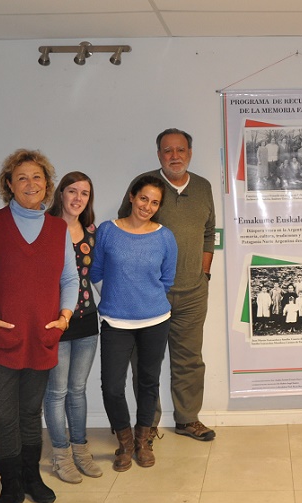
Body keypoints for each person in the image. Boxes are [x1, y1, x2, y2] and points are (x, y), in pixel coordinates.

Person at [0, 149, 78, 503]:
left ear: (47, 185)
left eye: (37, 177)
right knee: (2, 415)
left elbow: (69, 279)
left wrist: (65, 317)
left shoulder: (59, 229)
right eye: (22, 177)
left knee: (29, 413)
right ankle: (10, 487)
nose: (31, 184)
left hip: (40, 339)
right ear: (8, 185)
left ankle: (31, 478)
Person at [117, 128, 217, 442]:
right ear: (159, 154)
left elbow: (208, 233)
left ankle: (188, 420)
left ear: (190, 152)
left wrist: (204, 274)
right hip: (149, 293)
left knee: (190, 359)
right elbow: (124, 229)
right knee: (146, 361)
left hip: (192, 292)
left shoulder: (203, 187)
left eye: (180, 150)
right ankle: (147, 425)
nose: (174, 156)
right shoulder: (145, 185)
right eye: (167, 150)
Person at [93, 175, 177, 470]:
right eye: (144, 199)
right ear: (131, 196)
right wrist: (117, 298)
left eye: (155, 202)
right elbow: (96, 272)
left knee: (147, 382)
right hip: (116, 320)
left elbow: (167, 279)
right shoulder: (107, 231)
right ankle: (125, 443)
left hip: (155, 319)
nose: (148, 206)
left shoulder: (165, 237)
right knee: (112, 386)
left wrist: (143, 301)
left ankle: (142, 442)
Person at [43, 172, 103, 484]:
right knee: (57, 391)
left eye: (84, 193)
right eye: (72, 191)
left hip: (86, 322)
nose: (78, 198)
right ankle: (61, 455)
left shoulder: (91, 232)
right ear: (60, 194)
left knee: (77, 390)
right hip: (54, 322)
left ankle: (81, 450)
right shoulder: (45, 228)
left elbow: (97, 277)